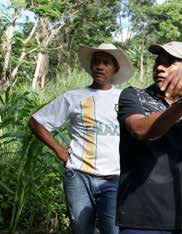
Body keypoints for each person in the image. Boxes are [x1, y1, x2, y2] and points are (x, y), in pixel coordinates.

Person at [116, 41, 182, 234]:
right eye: (158, 62)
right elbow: (140, 129)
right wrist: (181, 106)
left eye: (170, 62)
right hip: (140, 218)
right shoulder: (133, 96)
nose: (159, 67)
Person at [28, 43, 132, 234]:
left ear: (115, 68)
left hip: (114, 179)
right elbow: (36, 122)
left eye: (106, 63)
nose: (100, 66)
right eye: (96, 62)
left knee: (113, 230)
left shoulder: (125, 98)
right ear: (91, 66)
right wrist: (60, 151)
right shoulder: (73, 97)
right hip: (78, 176)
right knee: (81, 229)